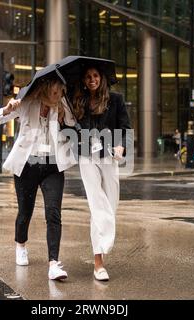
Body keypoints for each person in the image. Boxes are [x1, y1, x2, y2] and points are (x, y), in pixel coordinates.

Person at [0, 77, 77, 281]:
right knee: (25, 212)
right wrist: (8, 108)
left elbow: (75, 124)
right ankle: (21, 244)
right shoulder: (27, 102)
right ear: (46, 91)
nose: (59, 96)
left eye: (61, 92)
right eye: (56, 93)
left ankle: (53, 264)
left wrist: (66, 117)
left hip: (53, 166)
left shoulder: (62, 105)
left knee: (53, 212)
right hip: (27, 165)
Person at [72, 66, 132, 281]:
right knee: (97, 204)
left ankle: (106, 236)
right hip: (87, 157)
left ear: (102, 78)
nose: (92, 80)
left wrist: (122, 147)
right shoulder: (77, 101)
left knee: (110, 204)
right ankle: (98, 264)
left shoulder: (116, 99)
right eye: (87, 76)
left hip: (109, 157)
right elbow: (70, 126)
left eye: (95, 75)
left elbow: (126, 129)